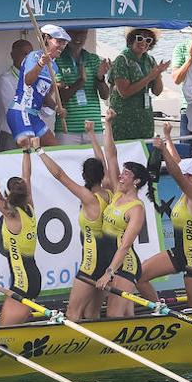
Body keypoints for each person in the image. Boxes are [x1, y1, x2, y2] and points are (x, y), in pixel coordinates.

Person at [36, 122, 115, 319]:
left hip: (91, 263)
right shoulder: (109, 191)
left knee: (73, 312)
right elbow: (103, 163)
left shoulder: (88, 198)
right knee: (92, 313)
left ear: (84, 176)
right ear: (102, 175)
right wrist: (92, 135)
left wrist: (39, 151)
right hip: (108, 261)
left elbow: (59, 175)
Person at [137, 123, 192, 308]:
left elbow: (176, 173)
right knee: (140, 275)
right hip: (179, 252)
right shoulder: (187, 190)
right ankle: (159, 308)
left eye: (184, 175)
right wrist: (168, 137)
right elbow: (178, 165)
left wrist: (162, 151)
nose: (180, 177)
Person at [95, 109, 158, 317]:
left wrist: (109, 272)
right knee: (125, 314)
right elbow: (111, 155)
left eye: (126, 174)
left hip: (125, 265)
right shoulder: (116, 193)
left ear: (136, 181)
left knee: (113, 315)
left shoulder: (136, 209)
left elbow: (125, 245)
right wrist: (108, 124)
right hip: (112, 260)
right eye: (122, 173)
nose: (121, 176)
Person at [0, 142, 39, 325]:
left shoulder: (11, 215)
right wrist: (26, 151)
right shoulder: (29, 206)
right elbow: (27, 176)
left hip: (23, 283)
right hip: (29, 278)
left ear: (9, 194)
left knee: (4, 331)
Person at [7, 24, 69, 147]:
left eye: (64, 43)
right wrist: (40, 64)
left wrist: (56, 108)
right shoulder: (34, 56)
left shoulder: (54, 66)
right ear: (46, 39)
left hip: (34, 115)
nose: (62, 46)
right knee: (28, 146)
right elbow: (28, 81)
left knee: (53, 147)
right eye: (58, 41)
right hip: (21, 110)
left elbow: (43, 95)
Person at [108, 28, 167, 141]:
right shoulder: (122, 60)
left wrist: (158, 74)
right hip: (123, 120)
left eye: (148, 40)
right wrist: (150, 77)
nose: (143, 43)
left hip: (144, 119)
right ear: (131, 40)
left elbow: (157, 92)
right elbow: (124, 92)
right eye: (140, 38)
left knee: (145, 149)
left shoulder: (150, 60)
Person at [54, 28, 110, 145]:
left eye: (82, 32)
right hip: (67, 129)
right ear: (66, 34)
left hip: (94, 127)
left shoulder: (93, 59)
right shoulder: (58, 60)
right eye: (74, 32)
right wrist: (80, 81)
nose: (78, 37)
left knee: (99, 158)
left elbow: (105, 95)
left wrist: (100, 78)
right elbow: (61, 98)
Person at [0, 39, 33, 151]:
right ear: (13, 55)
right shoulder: (5, 80)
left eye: (30, 55)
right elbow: (13, 111)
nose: (28, 59)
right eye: (24, 54)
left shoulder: (34, 78)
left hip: (32, 134)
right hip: (12, 135)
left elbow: (46, 112)